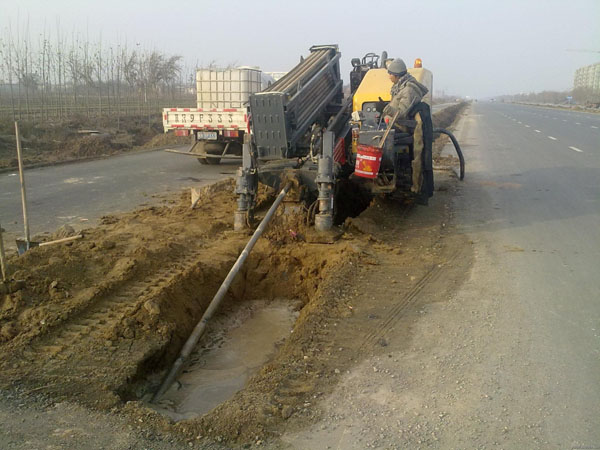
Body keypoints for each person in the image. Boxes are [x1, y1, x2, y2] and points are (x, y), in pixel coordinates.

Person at [382, 59, 432, 197]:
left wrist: (387, 109)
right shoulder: (400, 87)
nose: (389, 76)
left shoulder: (409, 90)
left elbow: (401, 113)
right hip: (397, 124)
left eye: (390, 74)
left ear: (397, 75)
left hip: (403, 127)